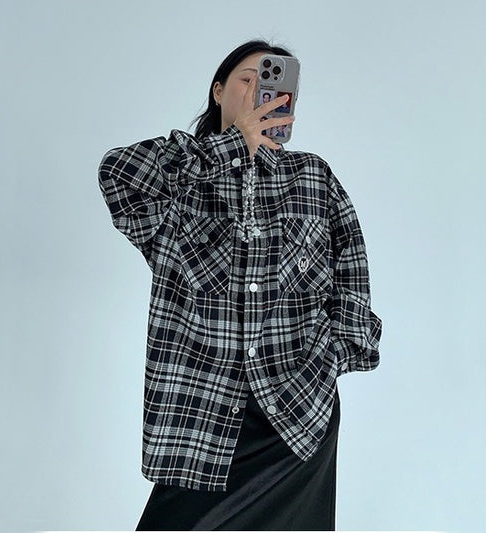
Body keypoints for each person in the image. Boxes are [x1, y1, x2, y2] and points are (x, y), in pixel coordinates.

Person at [98, 38, 382, 531]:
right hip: (201, 410)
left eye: (272, 85)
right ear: (218, 90)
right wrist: (233, 145)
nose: (258, 92)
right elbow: (117, 174)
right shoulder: (182, 178)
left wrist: (331, 357)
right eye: (247, 79)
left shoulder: (313, 178)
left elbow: (351, 272)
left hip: (298, 409)